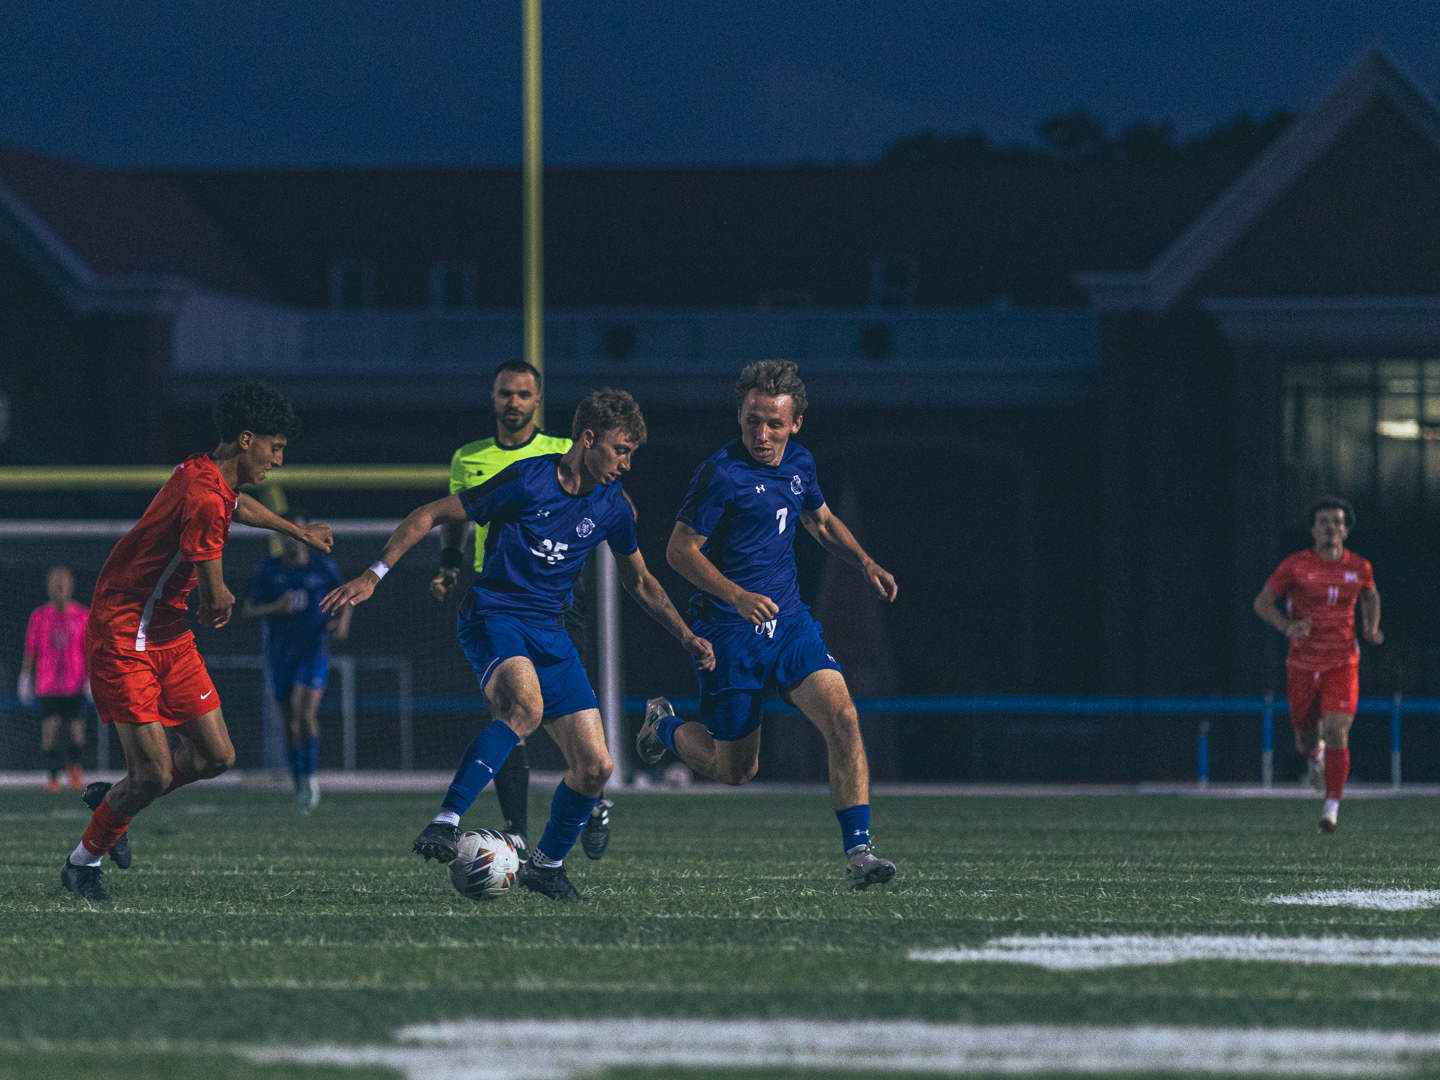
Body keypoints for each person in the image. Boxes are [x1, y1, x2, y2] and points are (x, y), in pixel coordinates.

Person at [323, 388, 713, 901]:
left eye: (632, 453)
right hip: (495, 615)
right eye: (621, 450)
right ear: (588, 438)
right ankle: (446, 819)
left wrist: (685, 634)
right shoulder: (527, 480)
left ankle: (545, 867)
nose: (627, 464)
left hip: (550, 629)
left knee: (597, 767)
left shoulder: (612, 506)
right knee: (526, 708)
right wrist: (374, 573)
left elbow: (639, 580)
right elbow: (430, 513)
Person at [59, 382, 333, 901]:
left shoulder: (204, 474)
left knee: (215, 757)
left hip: (166, 632)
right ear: (246, 440)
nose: (278, 459)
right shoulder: (205, 496)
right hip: (124, 632)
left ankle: (115, 800)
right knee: (152, 772)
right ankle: (82, 863)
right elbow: (215, 596)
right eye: (275, 447)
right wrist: (221, 599)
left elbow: (237, 507)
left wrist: (296, 533)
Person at [642, 359, 899, 890]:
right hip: (729, 633)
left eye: (774, 423)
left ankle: (859, 853)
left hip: (789, 626)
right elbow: (678, 551)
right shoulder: (720, 474)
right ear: (739, 415)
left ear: (796, 423)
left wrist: (865, 562)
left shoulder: (800, 463)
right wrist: (736, 596)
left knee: (843, 718)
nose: (761, 434)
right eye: (752, 421)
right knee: (736, 770)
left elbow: (820, 522)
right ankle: (662, 726)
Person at [432, 360, 614, 858]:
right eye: (504, 393)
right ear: (493, 398)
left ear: (537, 400)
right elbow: (457, 517)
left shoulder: (561, 450)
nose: (513, 402)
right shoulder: (469, 456)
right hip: (497, 592)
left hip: (557, 599)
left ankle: (591, 793)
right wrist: (449, 566)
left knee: (553, 709)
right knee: (511, 709)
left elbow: (605, 501)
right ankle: (516, 829)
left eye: (523, 394)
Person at [1254, 496, 1381, 834]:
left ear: (1346, 530)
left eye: (1337, 522)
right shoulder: (1295, 565)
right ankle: (1314, 757)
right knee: (1306, 741)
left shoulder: (1360, 567)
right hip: (1302, 664)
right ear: (1312, 530)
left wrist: (1371, 627)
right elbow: (1262, 602)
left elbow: (1370, 595)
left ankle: (1331, 807)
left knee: (1337, 729)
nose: (1330, 528)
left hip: (1342, 662)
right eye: (1323, 522)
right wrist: (1286, 626)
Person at [243, 512, 351, 815]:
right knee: (289, 720)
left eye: (298, 532)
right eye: (287, 533)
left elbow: (346, 598)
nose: (293, 539)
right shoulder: (269, 569)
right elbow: (248, 610)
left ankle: (309, 776)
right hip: (280, 652)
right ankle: (298, 779)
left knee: (305, 713)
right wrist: (274, 607)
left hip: (312, 650)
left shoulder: (322, 566)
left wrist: (342, 623)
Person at [19, 567, 90, 792]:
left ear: (70, 587)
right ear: (49, 588)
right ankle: (52, 777)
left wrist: (91, 679)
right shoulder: (39, 616)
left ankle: (75, 772)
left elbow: (89, 650)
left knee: (75, 731)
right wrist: (26, 678)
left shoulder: (82, 615)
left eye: (64, 584)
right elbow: (31, 650)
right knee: (50, 731)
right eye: (56, 585)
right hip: (48, 684)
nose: (60, 589)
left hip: (75, 683)